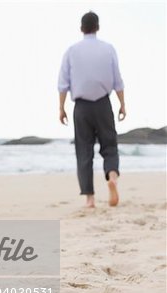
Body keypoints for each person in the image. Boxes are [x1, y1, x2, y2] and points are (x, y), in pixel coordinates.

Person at [58, 11, 126, 207]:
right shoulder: (108, 49)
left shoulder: (71, 51)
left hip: (81, 107)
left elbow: (63, 83)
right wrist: (122, 104)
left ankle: (89, 198)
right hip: (103, 104)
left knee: (84, 151)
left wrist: (61, 108)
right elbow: (118, 81)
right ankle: (112, 177)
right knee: (110, 145)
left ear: (81, 28)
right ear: (98, 27)